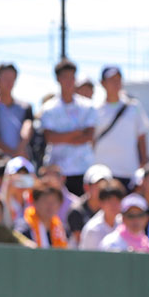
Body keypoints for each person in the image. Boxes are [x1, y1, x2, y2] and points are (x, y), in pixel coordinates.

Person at [39, 58, 97, 197]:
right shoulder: (48, 108)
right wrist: (77, 133)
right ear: (58, 79)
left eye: (72, 77)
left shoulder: (88, 106)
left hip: (83, 169)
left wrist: (62, 137)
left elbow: (88, 136)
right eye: (65, 77)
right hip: (57, 171)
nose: (69, 81)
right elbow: (50, 138)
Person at [93, 65, 149, 184]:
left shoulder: (134, 106)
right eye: (111, 80)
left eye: (118, 79)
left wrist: (144, 163)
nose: (116, 83)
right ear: (102, 83)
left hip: (129, 171)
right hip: (102, 173)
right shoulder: (95, 109)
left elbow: (142, 137)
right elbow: (91, 140)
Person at [0, 62, 33, 159]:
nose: (9, 82)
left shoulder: (25, 107)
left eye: (12, 79)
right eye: (5, 78)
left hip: (20, 159)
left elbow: (28, 127)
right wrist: (12, 153)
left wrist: (20, 150)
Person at [65, 163, 112, 246]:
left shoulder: (115, 210)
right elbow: (83, 244)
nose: (101, 189)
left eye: (104, 185)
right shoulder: (76, 211)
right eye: (97, 185)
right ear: (86, 187)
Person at [14, 181, 68, 248]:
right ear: (34, 202)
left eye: (54, 201)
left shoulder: (62, 229)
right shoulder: (23, 228)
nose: (50, 206)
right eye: (45, 201)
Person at [78, 181, 124, 251]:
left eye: (117, 201)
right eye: (110, 201)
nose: (114, 205)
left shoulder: (124, 223)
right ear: (101, 203)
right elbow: (88, 256)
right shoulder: (92, 230)